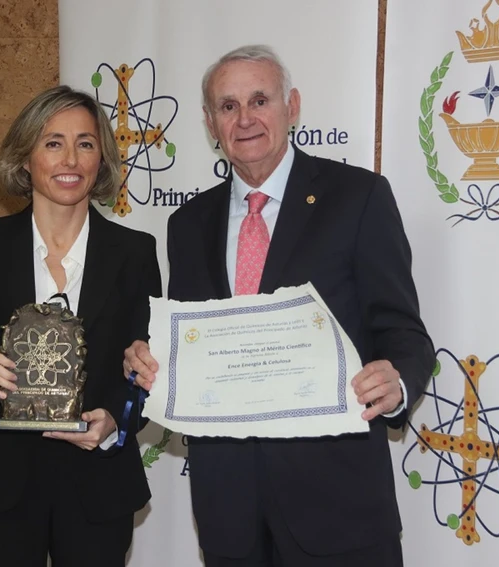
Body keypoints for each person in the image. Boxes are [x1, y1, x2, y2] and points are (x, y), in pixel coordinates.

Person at [123, 45, 435, 567]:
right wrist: (152, 361)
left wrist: (398, 380)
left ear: (291, 106)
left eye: (259, 100)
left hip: (338, 501)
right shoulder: (188, 224)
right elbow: (193, 343)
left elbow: (402, 329)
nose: (244, 118)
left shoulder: (358, 197)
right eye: (227, 106)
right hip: (228, 510)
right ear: (209, 122)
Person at [0, 85, 161, 567]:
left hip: (96, 481)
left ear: (101, 160)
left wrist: (115, 422)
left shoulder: (136, 253)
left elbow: (146, 366)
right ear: (25, 158)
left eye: (85, 143)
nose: (70, 159)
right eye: (53, 142)